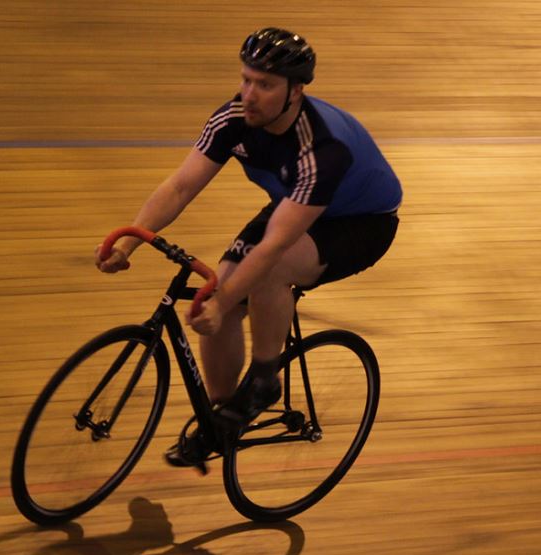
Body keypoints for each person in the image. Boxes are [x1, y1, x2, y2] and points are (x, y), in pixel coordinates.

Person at [95, 27, 401, 470]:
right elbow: (181, 187)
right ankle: (223, 419)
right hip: (293, 202)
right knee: (218, 294)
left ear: (296, 91)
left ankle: (262, 380)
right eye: (246, 80)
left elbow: (275, 246)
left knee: (262, 277)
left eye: (265, 84)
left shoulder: (322, 147)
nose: (249, 94)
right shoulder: (233, 118)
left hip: (359, 223)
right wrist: (130, 240)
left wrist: (225, 299)